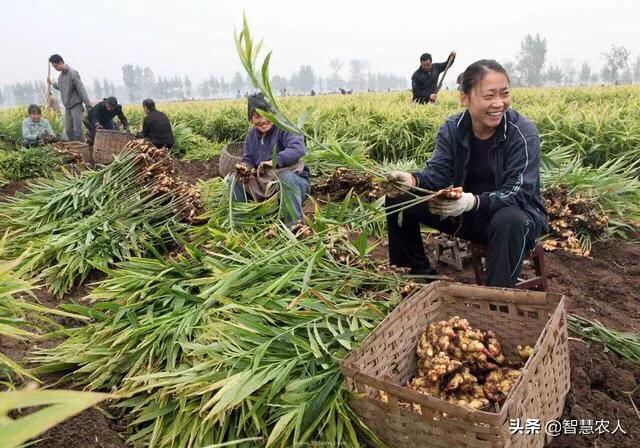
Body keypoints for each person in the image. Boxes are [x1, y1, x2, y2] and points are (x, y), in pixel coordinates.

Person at [386, 59, 547, 287]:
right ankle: (418, 275)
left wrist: (473, 201)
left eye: (504, 94)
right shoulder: (452, 128)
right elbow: (439, 173)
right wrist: (411, 179)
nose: (499, 103)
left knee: (509, 219)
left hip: (516, 221)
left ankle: (496, 300)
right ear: (464, 98)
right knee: (400, 197)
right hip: (466, 215)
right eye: (489, 96)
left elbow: (520, 193)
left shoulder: (522, 133)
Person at [231, 93, 310, 225]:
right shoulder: (251, 136)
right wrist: (245, 168)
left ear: (274, 113)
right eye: (257, 116)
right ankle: (242, 222)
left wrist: (274, 161)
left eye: (267, 114)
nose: (262, 120)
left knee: (285, 178)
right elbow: (249, 159)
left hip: (294, 184)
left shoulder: (286, 128)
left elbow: (298, 149)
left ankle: (294, 225)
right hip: (264, 184)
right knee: (234, 180)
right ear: (250, 119)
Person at [47, 54, 92, 142]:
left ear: (60, 63)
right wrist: (52, 83)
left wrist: (88, 104)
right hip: (67, 106)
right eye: (53, 67)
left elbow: (81, 89)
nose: (55, 68)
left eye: (55, 66)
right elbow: (61, 87)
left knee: (77, 129)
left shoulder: (72, 73)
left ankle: (83, 147)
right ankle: (74, 147)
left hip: (76, 105)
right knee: (68, 130)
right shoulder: (61, 77)